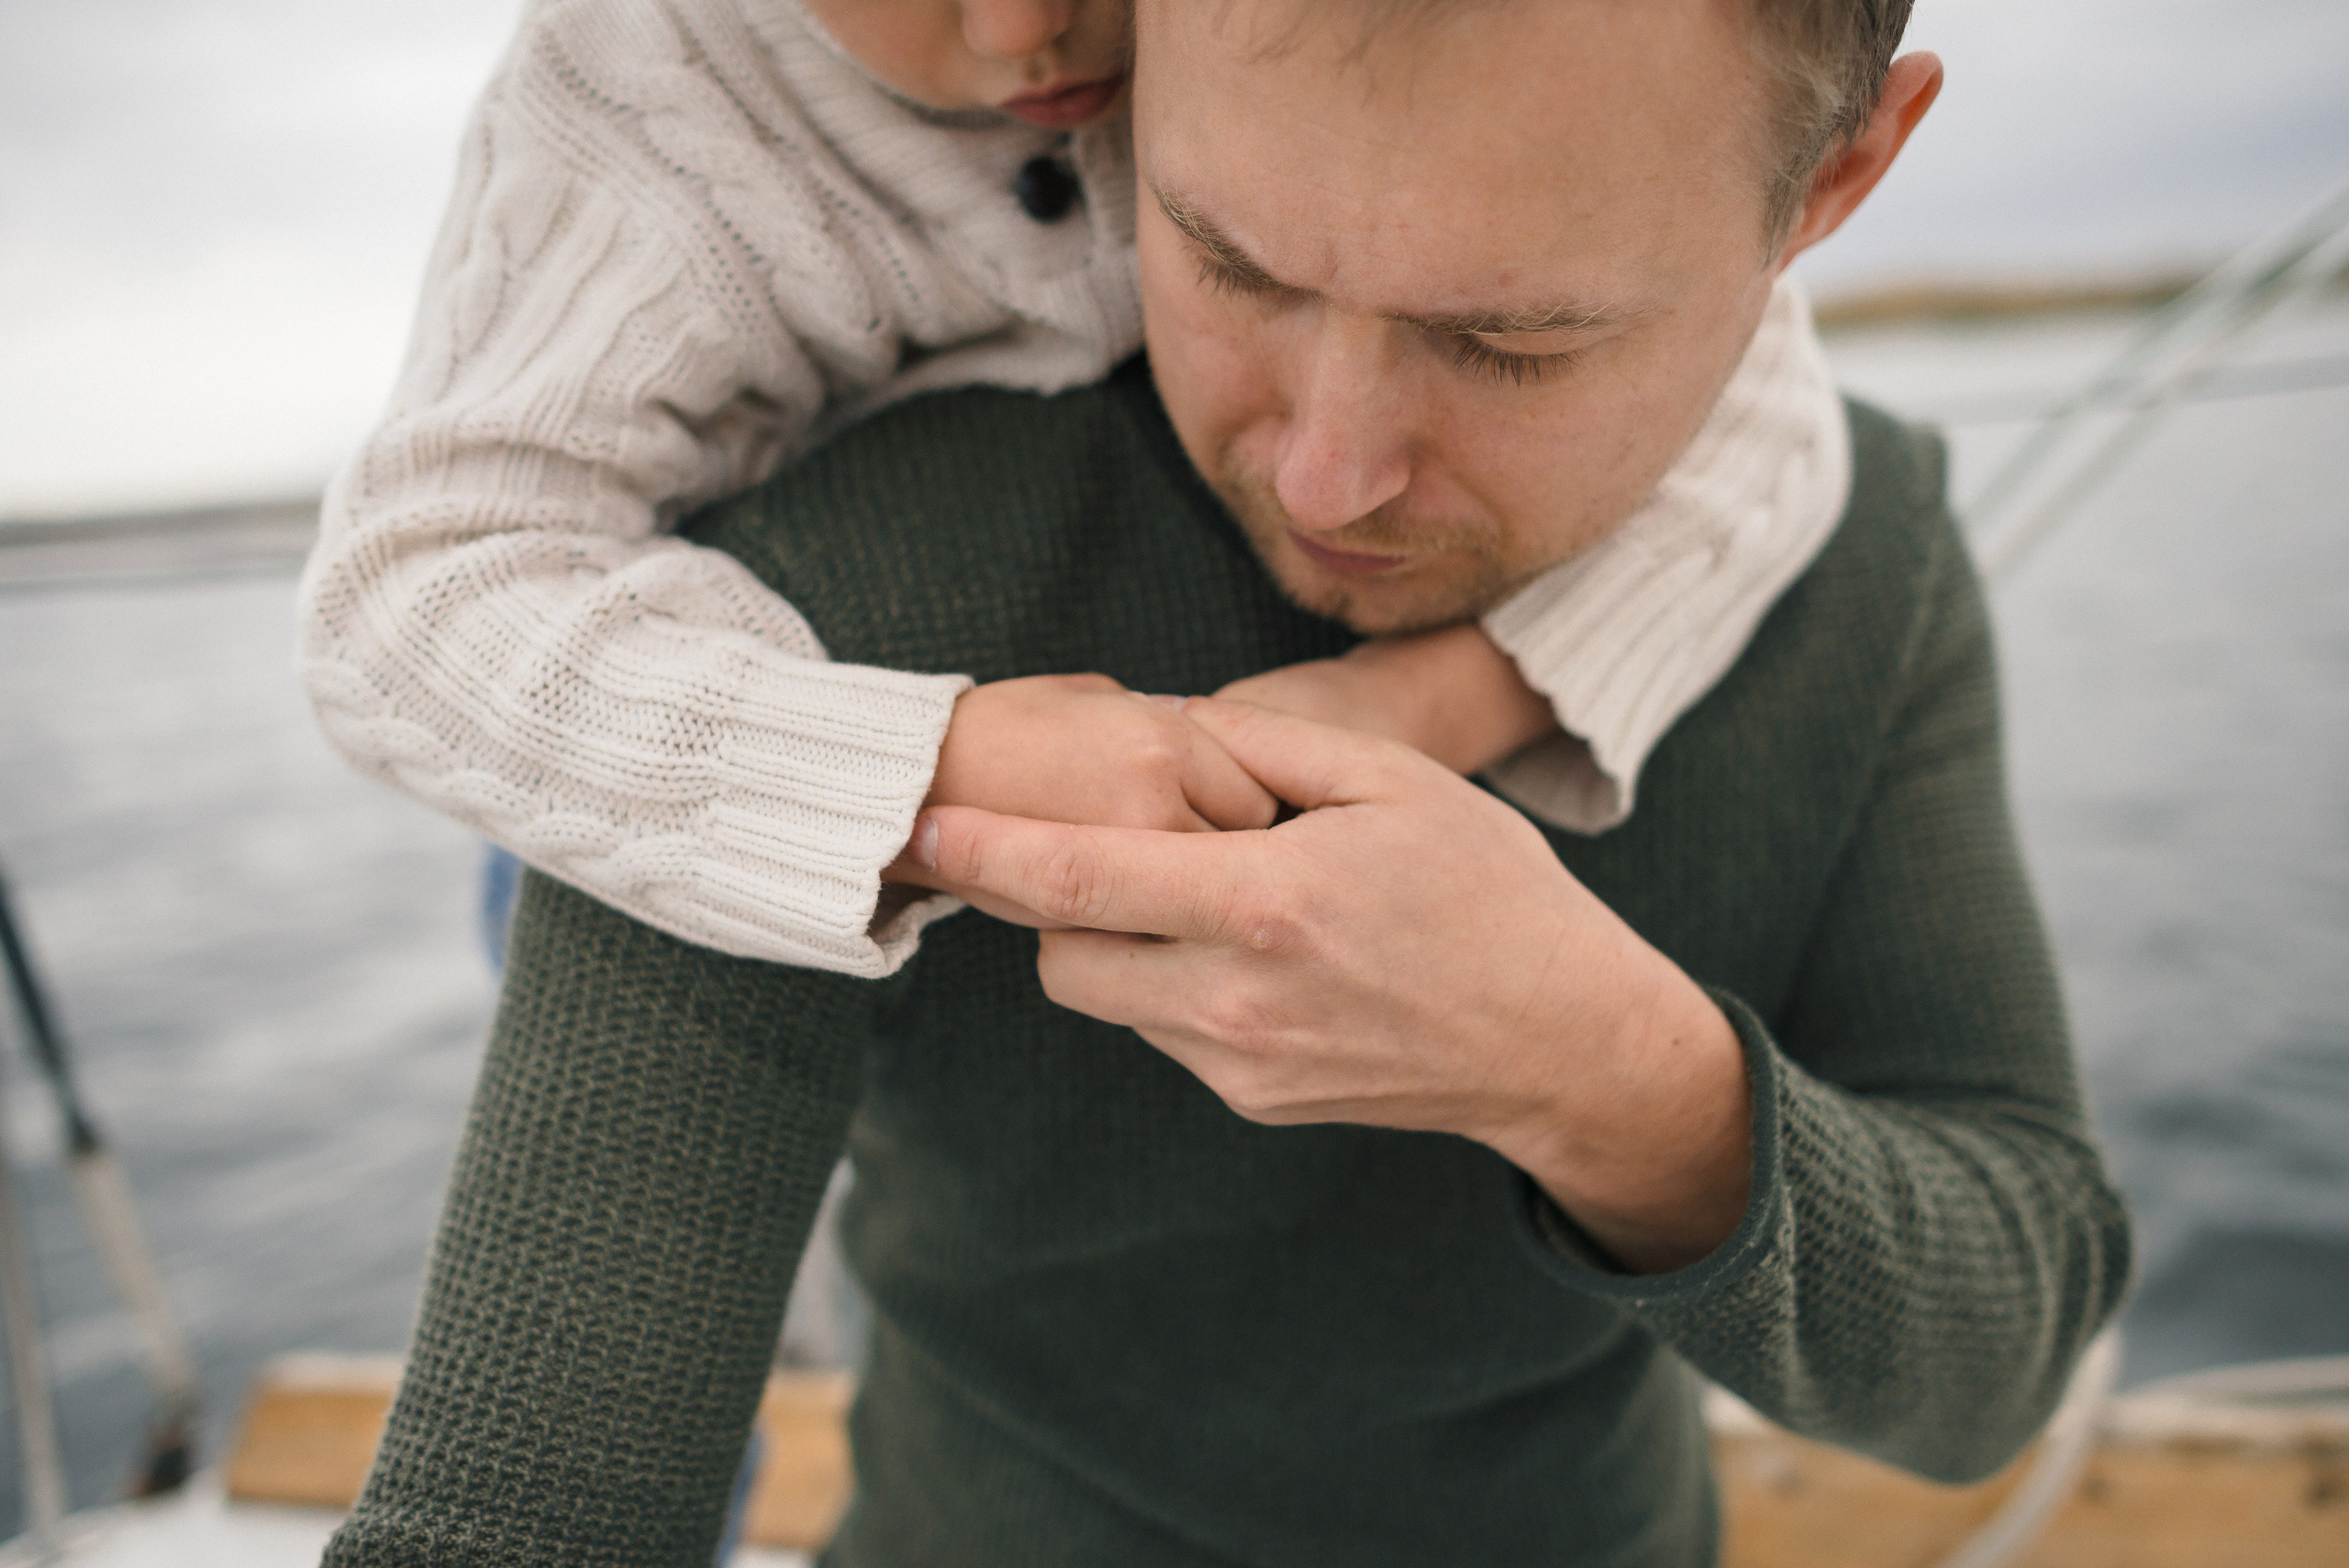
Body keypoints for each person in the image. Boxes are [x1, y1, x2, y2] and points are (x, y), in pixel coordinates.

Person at [321, 2, 2132, 1565]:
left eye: (1512, 344)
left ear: (1832, 185)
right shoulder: (777, 624)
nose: (1331, 477)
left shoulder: (1860, 547)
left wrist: (1597, 1074)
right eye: (1227, 261)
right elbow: (514, 1510)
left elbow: (2004, 1347)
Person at [296, 0, 1853, 978]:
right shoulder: (647, 81)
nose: (1021, 26)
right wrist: (932, 767)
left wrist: (1427, 707)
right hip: (635, 750)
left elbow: (1768, 399)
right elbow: (410, 597)